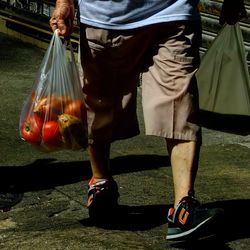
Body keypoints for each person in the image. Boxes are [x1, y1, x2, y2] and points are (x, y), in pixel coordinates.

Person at [49, 0, 246, 240]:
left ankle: (184, 206)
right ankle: (100, 182)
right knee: (99, 104)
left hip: (173, 11)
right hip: (106, 16)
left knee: (181, 102)